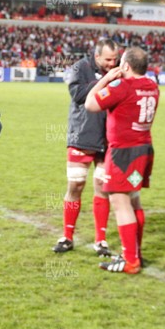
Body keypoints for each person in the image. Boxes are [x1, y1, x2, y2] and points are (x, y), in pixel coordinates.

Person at [85, 46, 159, 274]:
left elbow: (90, 104)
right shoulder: (152, 86)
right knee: (134, 200)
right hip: (144, 150)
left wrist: (107, 78)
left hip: (123, 154)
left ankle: (131, 260)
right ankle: (135, 253)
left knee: (119, 202)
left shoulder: (122, 86)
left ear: (125, 66)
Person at [52, 39, 119, 256]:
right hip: (81, 136)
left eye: (115, 59)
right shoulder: (80, 68)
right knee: (76, 186)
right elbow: (79, 95)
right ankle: (67, 237)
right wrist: (107, 80)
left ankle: (101, 240)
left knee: (102, 188)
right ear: (97, 56)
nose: (112, 63)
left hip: (107, 138)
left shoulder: (118, 70)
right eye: (108, 59)